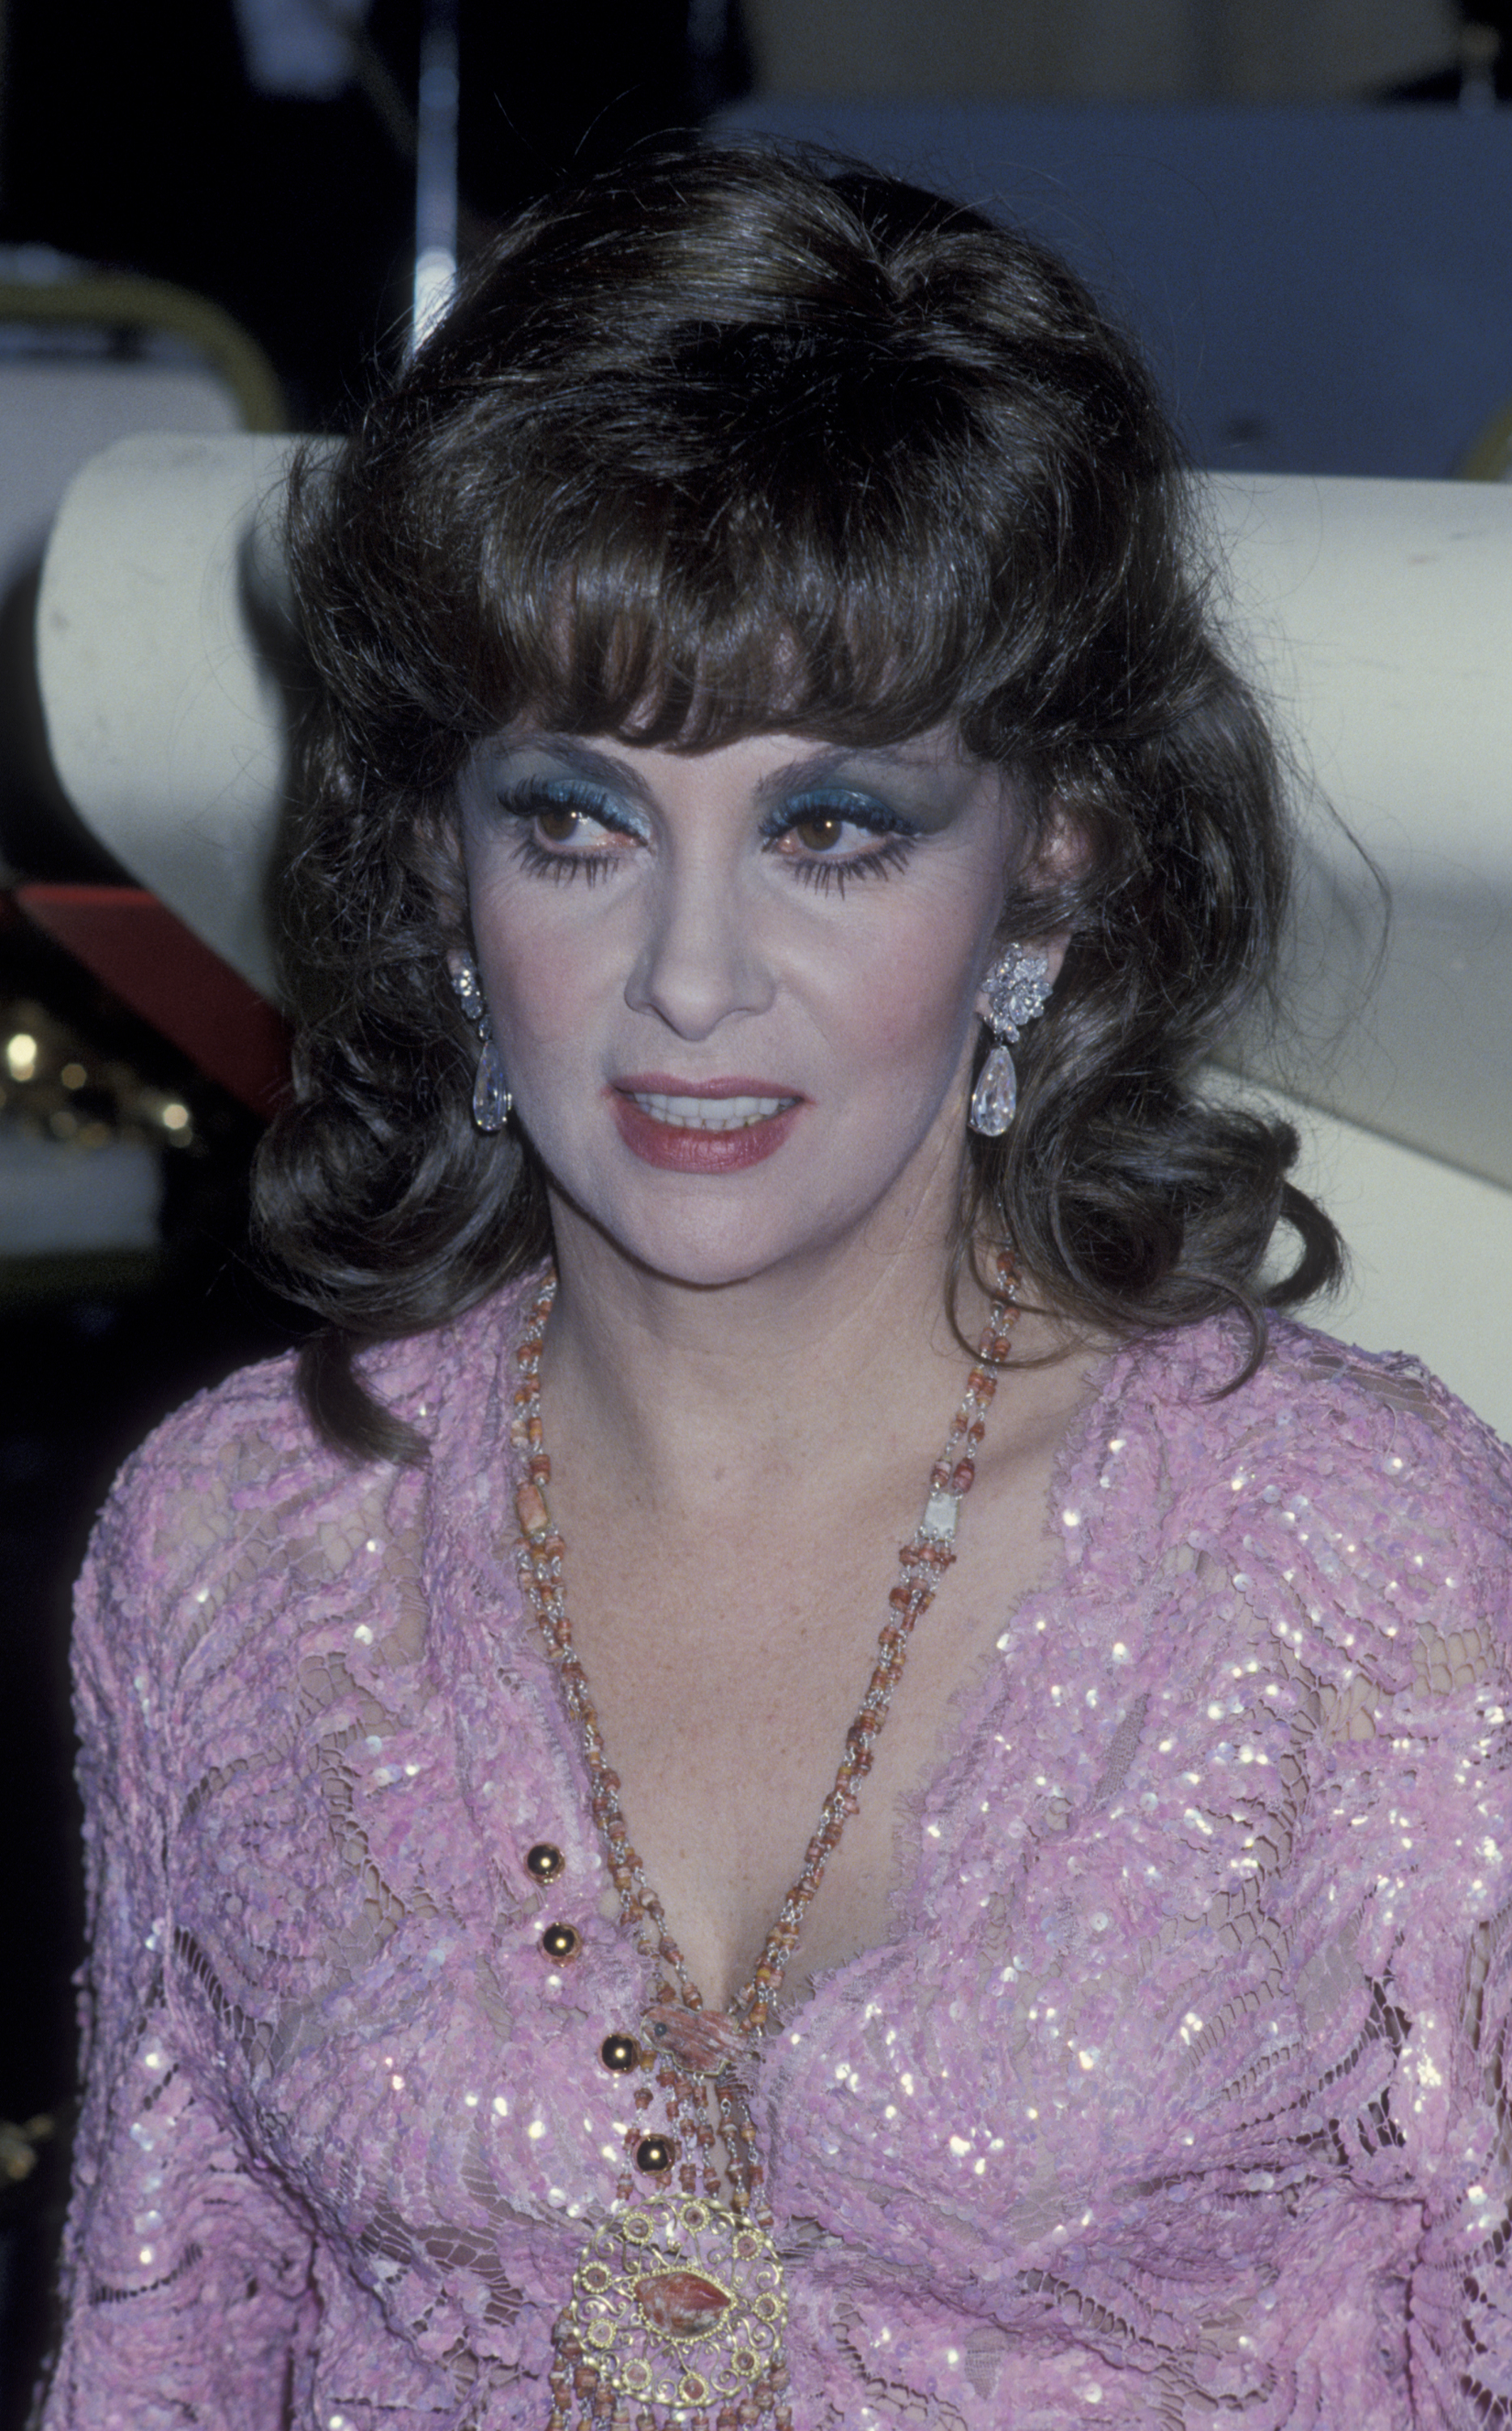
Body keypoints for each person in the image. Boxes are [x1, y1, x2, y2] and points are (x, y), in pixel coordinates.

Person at [39, 144, 1510, 2431]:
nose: (687, 979)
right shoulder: (230, 1547)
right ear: (438, 865)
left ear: (1046, 871)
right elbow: (168, 2344)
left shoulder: (1363, 1571)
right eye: (577, 821)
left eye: (830, 829)